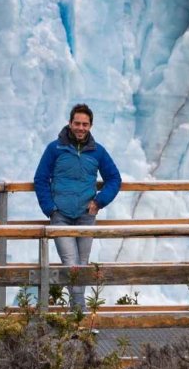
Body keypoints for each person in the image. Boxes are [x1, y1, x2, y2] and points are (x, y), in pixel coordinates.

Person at [32, 103, 122, 314]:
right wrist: (50, 209)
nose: (81, 128)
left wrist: (99, 202)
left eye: (85, 124)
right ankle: (79, 316)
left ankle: (76, 315)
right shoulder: (55, 149)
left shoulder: (97, 152)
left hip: (85, 216)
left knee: (82, 265)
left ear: (90, 126)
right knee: (71, 263)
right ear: (70, 123)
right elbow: (41, 179)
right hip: (60, 216)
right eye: (77, 123)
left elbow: (114, 179)